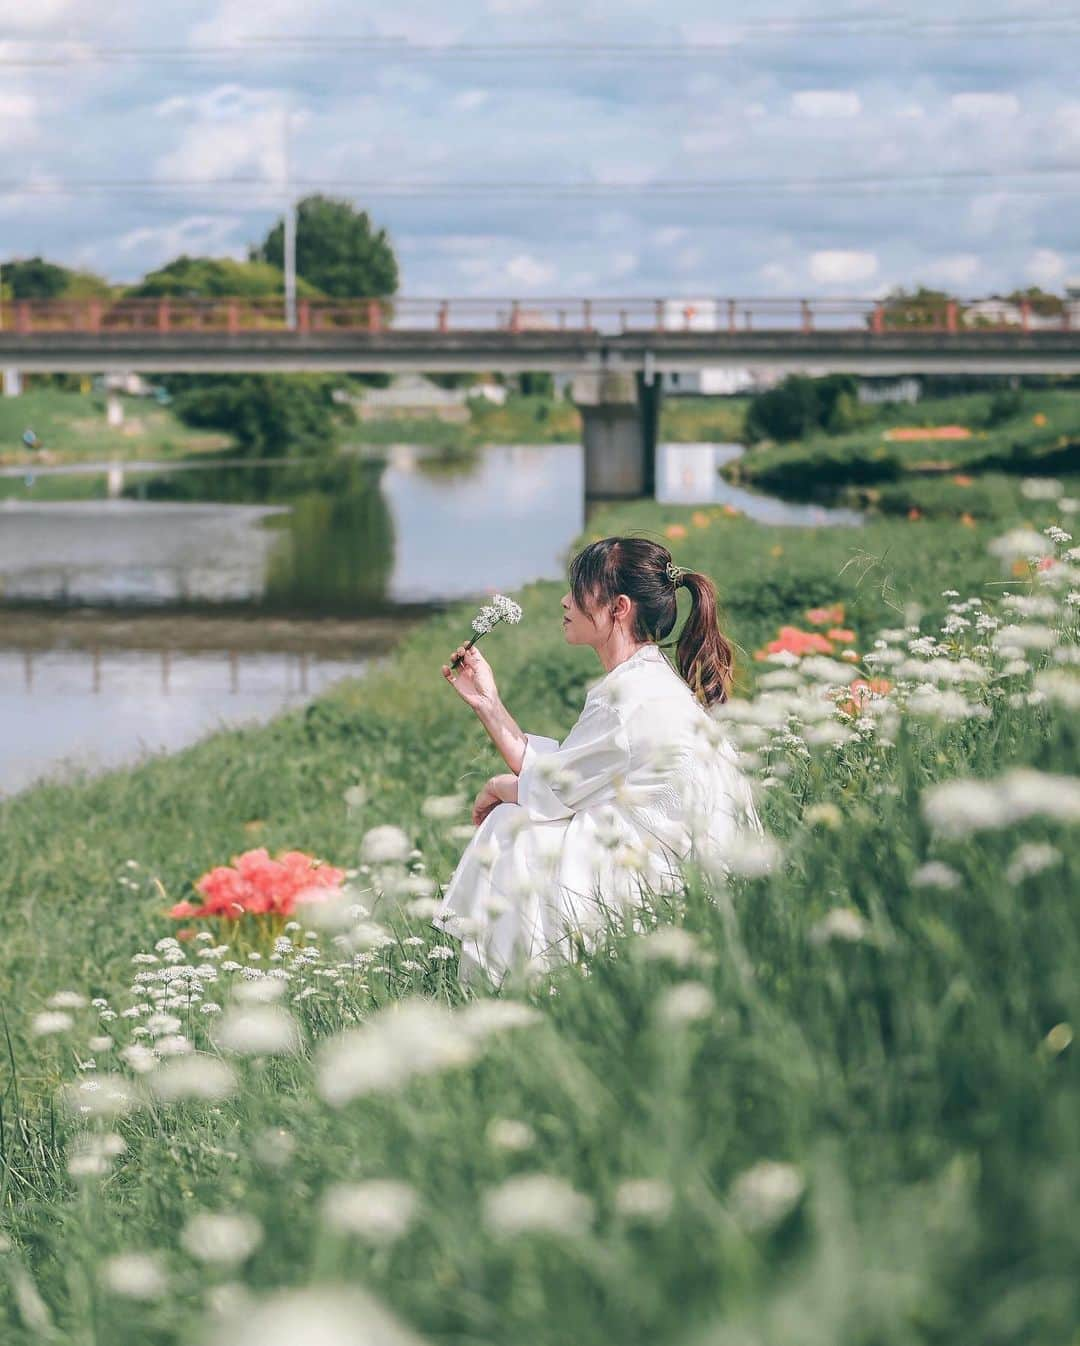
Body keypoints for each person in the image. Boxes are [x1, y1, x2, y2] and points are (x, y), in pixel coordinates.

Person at [431, 536, 764, 987]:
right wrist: (487, 703)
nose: (566, 601)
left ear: (618, 607)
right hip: (688, 866)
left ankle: (513, 986)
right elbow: (568, 777)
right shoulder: (647, 677)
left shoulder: (628, 696)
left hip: (664, 877)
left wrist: (498, 786)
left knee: (511, 827)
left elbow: (551, 791)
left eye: (579, 590)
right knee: (521, 816)